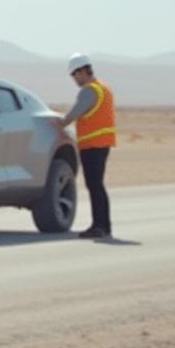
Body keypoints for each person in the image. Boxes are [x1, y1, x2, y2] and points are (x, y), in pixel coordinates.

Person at [56, 53, 117, 239]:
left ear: (81, 71)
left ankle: (99, 226)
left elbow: (74, 114)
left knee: (94, 185)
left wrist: (59, 123)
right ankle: (104, 225)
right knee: (97, 185)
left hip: (92, 145)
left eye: (74, 75)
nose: (74, 79)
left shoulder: (89, 91)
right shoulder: (104, 88)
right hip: (102, 143)